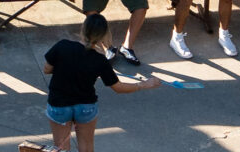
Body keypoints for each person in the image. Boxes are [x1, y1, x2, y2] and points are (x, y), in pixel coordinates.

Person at [43, 14, 160, 152]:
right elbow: (118, 87)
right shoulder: (100, 61)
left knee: (60, 147)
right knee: (86, 146)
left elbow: (47, 69)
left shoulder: (62, 46)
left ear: (83, 28)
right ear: (103, 35)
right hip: (85, 106)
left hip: (59, 104)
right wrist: (143, 84)